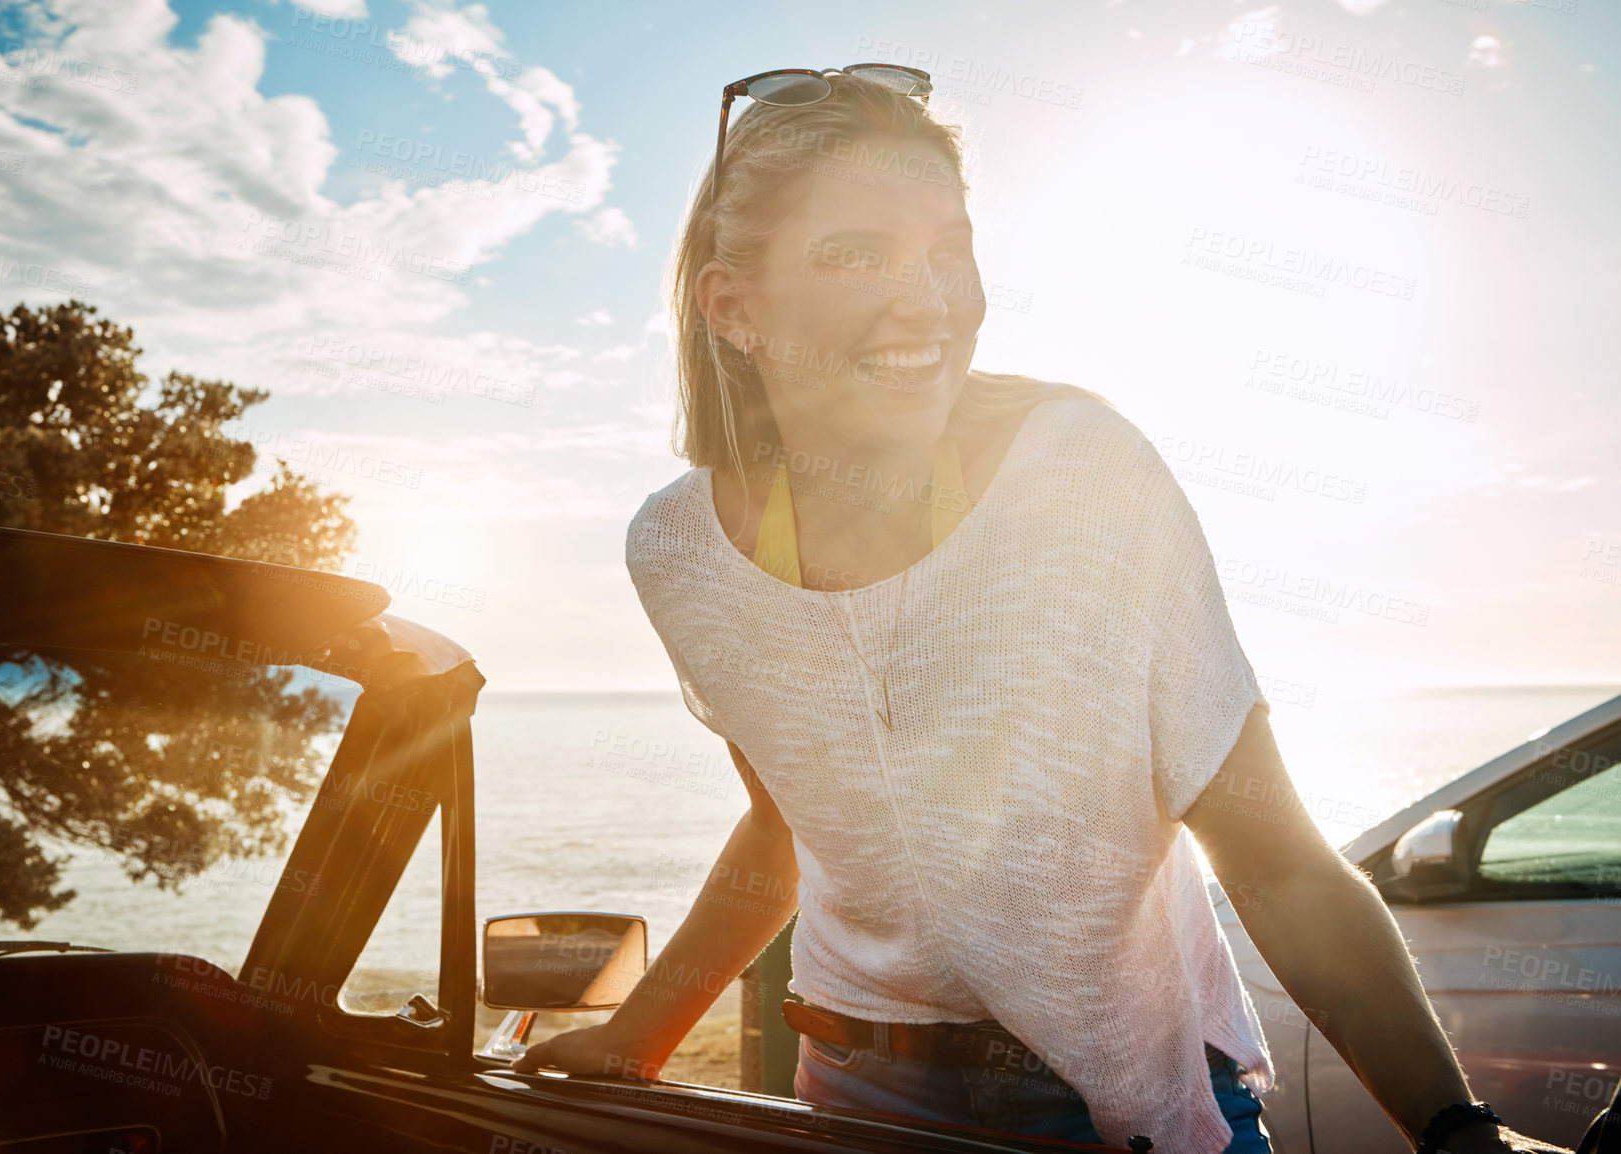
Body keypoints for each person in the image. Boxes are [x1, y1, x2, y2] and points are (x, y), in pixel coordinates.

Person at [514, 67, 1570, 1154]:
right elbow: (784, 823)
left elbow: (1275, 857)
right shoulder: (679, 548)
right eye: (856, 253)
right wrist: (639, 1036)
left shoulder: (1084, 475)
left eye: (946, 247)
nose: (924, 297)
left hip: (1118, 1100)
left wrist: (1455, 1129)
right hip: (853, 1084)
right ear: (733, 306)